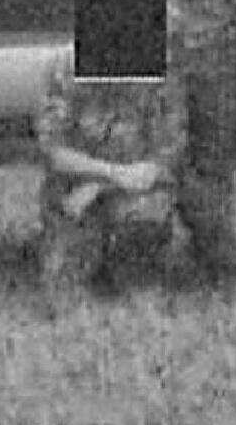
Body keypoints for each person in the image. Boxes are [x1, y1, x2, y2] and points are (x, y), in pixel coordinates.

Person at [95, 0, 236, 280]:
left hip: (204, 52)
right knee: (142, 148)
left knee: (210, 151)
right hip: (143, 52)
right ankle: (137, 246)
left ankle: (214, 249)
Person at [33, 48, 188, 301]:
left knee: (147, 214)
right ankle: (86, 256)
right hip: (74, 196)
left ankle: (135, 269)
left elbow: (163, 159)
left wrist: (99, 185)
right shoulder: (64, 69)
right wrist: (113, 174)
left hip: (133, 195)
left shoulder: (161, 71)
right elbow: (54, 152)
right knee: (63, 290)